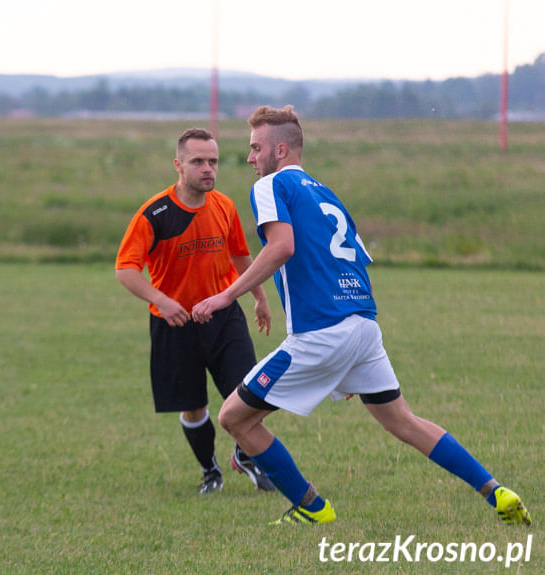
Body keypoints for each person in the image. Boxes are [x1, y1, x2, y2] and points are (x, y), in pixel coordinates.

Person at [192, 105, 531, 525]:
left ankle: (312, 507)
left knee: (234, 417)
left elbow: (281, 248)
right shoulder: (325, 193)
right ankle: (495, 491)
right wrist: (350, 351)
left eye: (255, 148)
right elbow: (353, 263)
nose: (249, 158)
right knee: (403, 421)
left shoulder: (271, 185)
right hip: (361, 324)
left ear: (280, 151)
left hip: (321, 333)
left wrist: (226, 296)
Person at [116, 128, 275, 494]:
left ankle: (246, 456)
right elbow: (125, 269)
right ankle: (210, 471)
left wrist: (259, 297)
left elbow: (240, 256)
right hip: (176, 325)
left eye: (213, 161)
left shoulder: (224, 205)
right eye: (198, 161)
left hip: (224, 317)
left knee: (250, 392)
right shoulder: (154, 213)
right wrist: (163, 300)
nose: (208, 169)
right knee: (193, 407)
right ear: (178, 165)